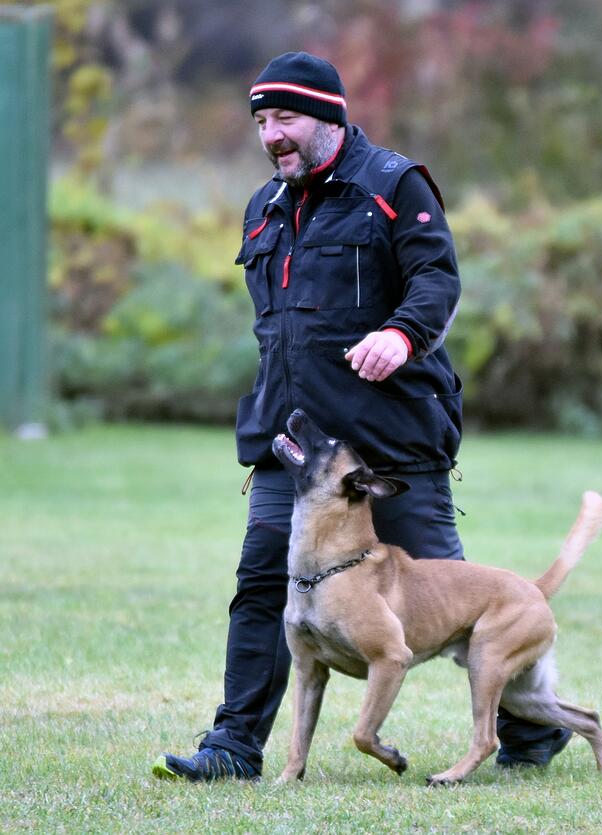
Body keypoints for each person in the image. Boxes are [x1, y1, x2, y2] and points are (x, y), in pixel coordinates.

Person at [152, 51, 570, 782]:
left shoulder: (392, 186)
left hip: (390, 445)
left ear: (329, 116)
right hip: (297, 447)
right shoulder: (266, 206)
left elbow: (437, 277)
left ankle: (532, 728)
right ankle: (234, 746)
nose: (271, 135)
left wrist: (401, 333)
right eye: (260, 121)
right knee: (262, 583)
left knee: (451, 596)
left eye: (285, 118)